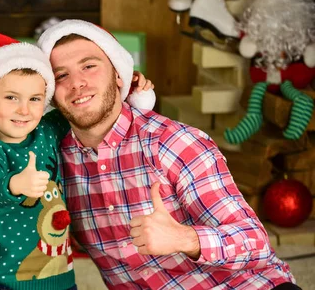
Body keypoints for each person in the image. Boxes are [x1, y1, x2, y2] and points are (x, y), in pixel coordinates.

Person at [37, 19, 299, 290]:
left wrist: (184, 239)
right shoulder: (54, 157)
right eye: (61, 76)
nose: (77, 83)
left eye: (89, 66)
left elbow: (255, 242)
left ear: (118, 75)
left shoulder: (172, 143)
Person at [0, 32, 156, 290]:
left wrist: (129, 94)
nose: (24, 110)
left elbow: (83, 111)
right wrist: (14, 184)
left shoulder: (46, 130)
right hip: (7, 282)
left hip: (63, 278)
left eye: (34, 99)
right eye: (11, 98)